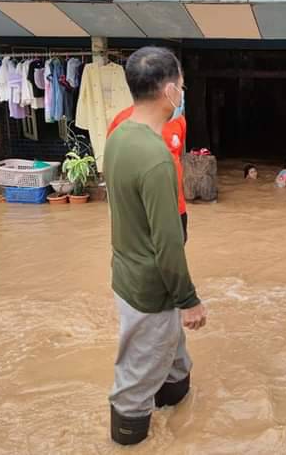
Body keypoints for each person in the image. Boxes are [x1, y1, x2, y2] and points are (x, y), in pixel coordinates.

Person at [103, 47, 207, 446]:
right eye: (181, 84)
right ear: (168, 90)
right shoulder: (156, 158)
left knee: (174, 360)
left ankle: (179, 424)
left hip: (126, 271)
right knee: (133, 383)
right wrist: (190, 300)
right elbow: (168, 246)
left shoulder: (119, 137)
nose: (183, 90)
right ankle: (126, 441)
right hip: (151, 287)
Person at [108, 97, 188, 242]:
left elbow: (177, 155)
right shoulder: (122, 121)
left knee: (174, 254)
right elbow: (114, 166)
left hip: (176, 207)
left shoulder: (178, 120)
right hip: (137, 211)